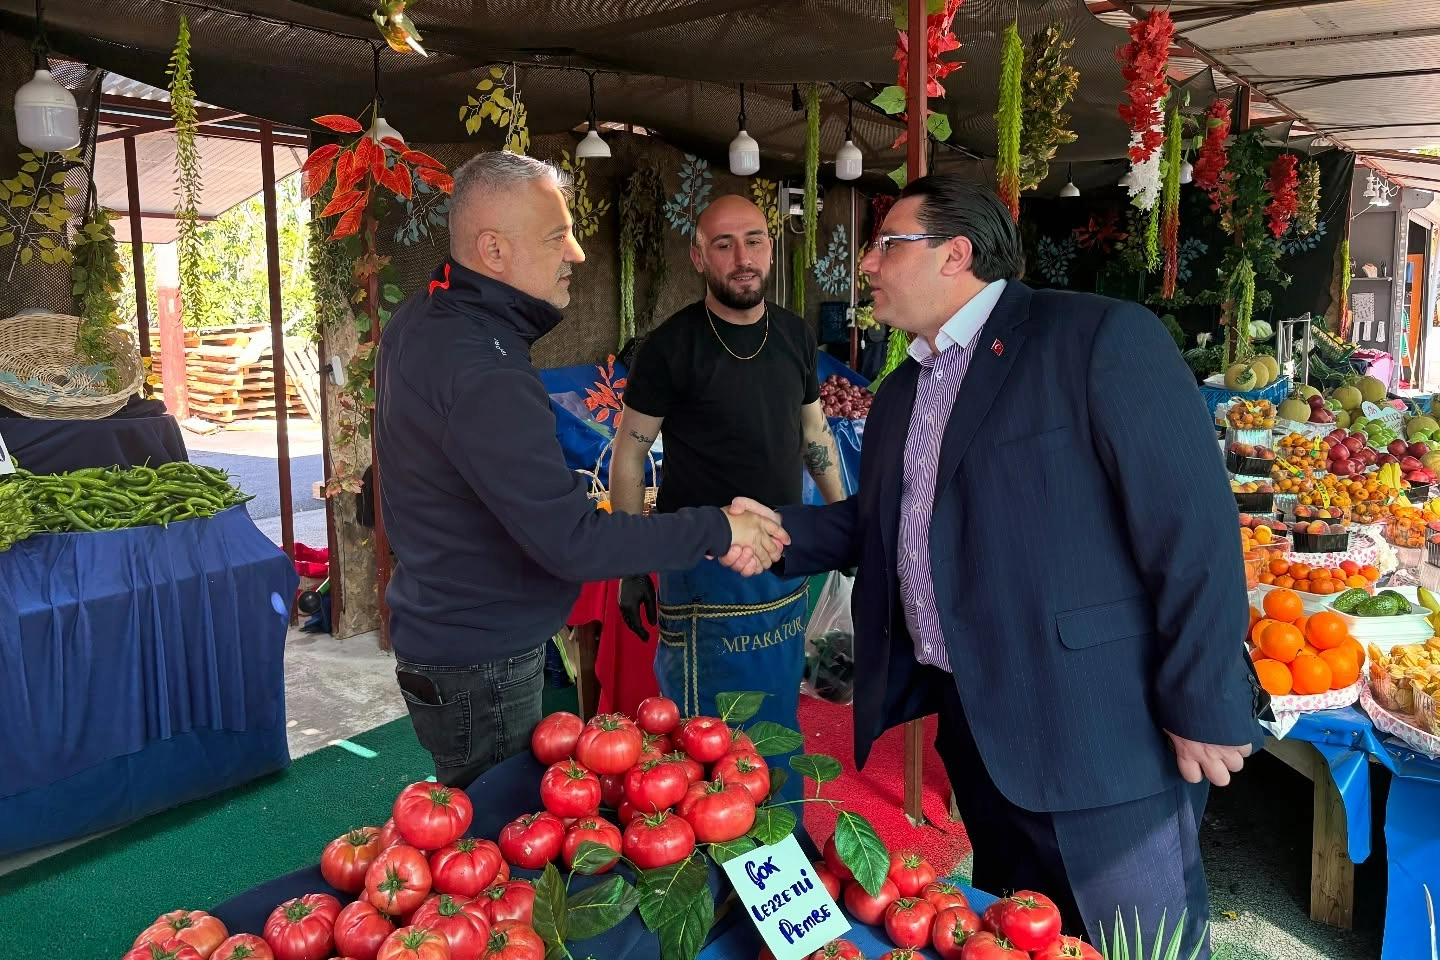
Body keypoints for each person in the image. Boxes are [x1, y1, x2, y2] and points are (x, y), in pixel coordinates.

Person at [753, 175, 1264, 953]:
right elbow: (879, 524)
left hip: (1098, 731)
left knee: (1134, 942)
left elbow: (1192, 528)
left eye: (886, 244)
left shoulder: (1094, 339)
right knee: (1010, 933)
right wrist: (763, 532)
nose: (866, 264)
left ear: (954, 254)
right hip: (978, 727)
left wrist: (1204, 699)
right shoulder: (903, 390)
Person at [374, 151, 789, 789]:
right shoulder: (482, 367)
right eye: (556, 237)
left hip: (455, 632)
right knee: (497, 828)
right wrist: (719, 527)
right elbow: (572, 542)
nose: (576, 253)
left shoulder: (431, 316)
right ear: (493, 249)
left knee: (490, 818)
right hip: (481, 655)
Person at [609, 194, 846, 731]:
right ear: (699, 257)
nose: (743, 258)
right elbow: (630, 453)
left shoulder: (795, 336)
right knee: (704, 730)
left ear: (770, 248)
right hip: (702, 567)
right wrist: (630, 563)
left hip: (783, 553)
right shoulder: (668, 348)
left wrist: (846, 523)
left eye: (753, 241)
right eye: (724, 244)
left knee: (776, 712)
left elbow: (815, 434)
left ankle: (777, 792)